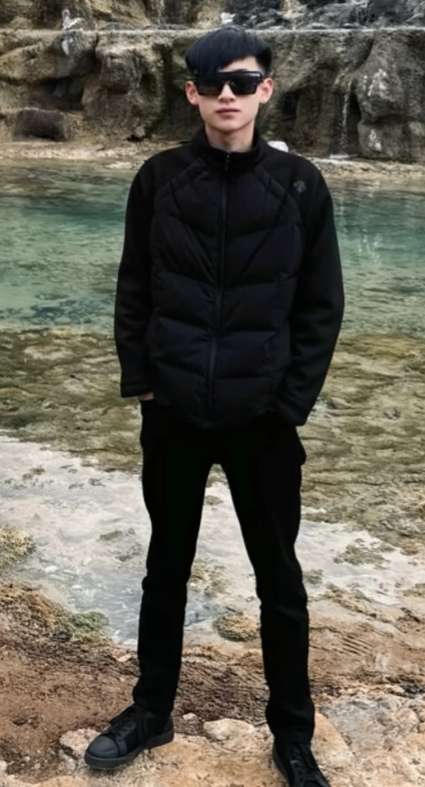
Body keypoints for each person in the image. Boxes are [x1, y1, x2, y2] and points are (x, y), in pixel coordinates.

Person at [84, 25, 344, 787]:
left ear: (265, 89)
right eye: (211, 83)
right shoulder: (158, 179)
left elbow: (321, 305)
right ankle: (151, 710)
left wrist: (289, 402)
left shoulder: (301, 186)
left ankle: (291, 734)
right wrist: (143, 382)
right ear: (191, 94)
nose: (227, 95)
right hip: (174, 413)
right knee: (165, 567)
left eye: (241, 82)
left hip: (262, 420)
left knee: (279, 581)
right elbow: (133, 287)